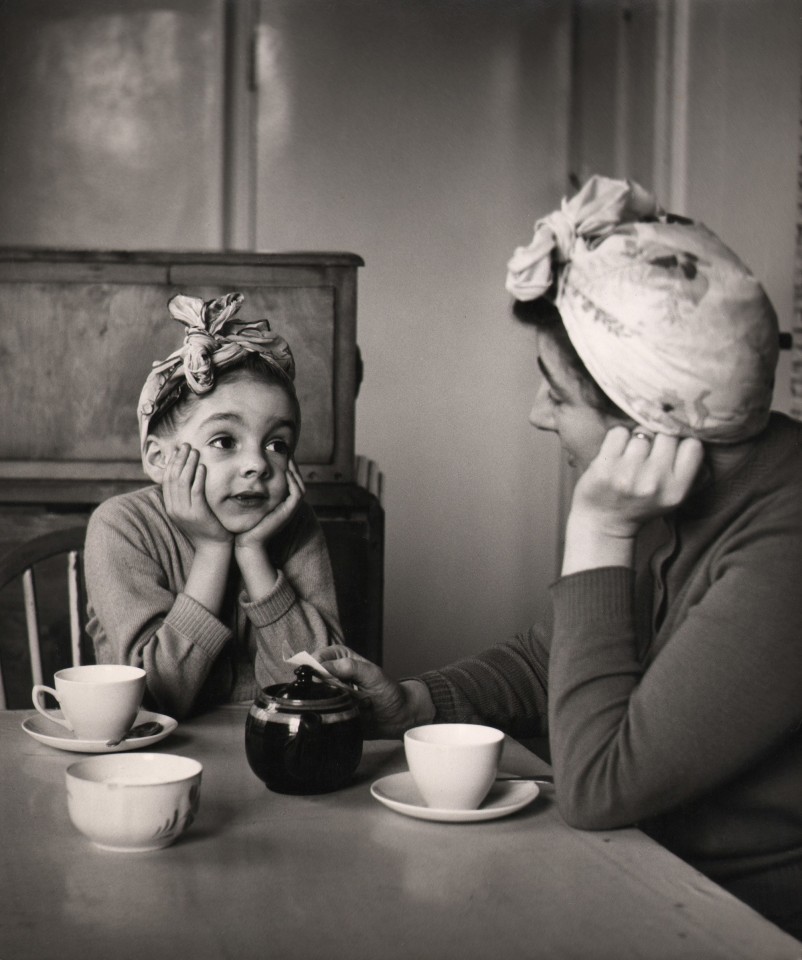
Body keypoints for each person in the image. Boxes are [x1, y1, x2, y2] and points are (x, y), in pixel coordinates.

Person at [319, 175, 802, 938]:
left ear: (650, 424)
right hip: (649, 881)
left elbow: (600, 786)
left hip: (742, 926)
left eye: (557, 393)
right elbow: (567, 656)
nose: (537, 415)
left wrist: (599, 532)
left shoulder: (785, 554)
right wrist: (415, 703)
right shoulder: (694, 487)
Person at [85, 292, 343, 719]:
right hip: (153, 760)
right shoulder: (121, 526)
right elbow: (157, 700)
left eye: (277, 444)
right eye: (225, 441)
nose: (258, 464)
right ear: (158, 458)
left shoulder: (294, 525)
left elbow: (319, 685)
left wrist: (253, 555)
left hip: (269, 749)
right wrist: (213, 551)